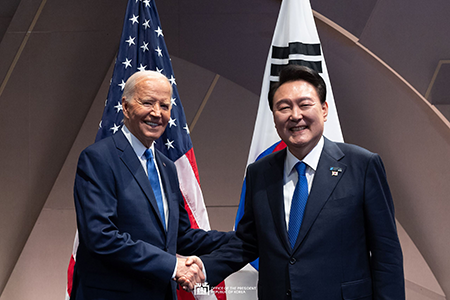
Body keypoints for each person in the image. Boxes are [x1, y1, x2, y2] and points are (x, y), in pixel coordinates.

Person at [196, 65, 405, 299]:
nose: (295, 115)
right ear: (274, 117)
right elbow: (248, 242)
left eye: (305, 104)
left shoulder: (362, 165)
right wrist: (204, 268)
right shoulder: (260, 172)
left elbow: (386, 254)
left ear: (324, 110)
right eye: (284, 107)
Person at [71, 70, 233, 300]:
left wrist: (243, 237)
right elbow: (101, 236)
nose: (157, 113)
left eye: (165, 106)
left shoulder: (167, 167)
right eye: (147, 103)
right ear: (125, 107)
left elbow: (181, 236)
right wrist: (172, 266)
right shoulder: (98, 158)